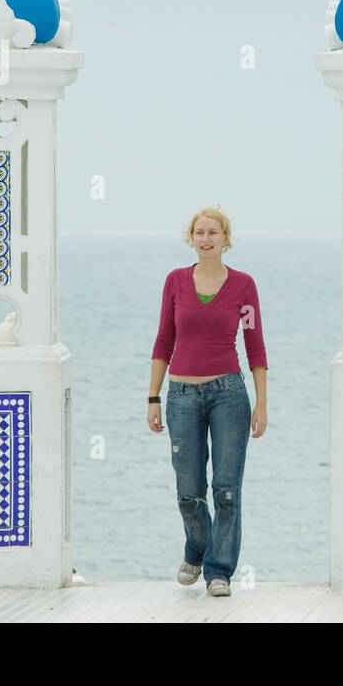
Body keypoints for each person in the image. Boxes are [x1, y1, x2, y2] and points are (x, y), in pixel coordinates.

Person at [147, 204, 268, 597]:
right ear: (191, 238)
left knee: (227, 489)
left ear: (226, 239)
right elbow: (164, 340)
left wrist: (261, 403)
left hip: (228, 394)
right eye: (199, 232)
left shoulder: (243, 285)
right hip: (180, 395)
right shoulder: (175, 282)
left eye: (213, 232)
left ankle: (219, 571)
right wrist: (153, 396)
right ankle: (196, 549)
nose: (206, 238)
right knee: (188, 491)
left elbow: (256, 348)